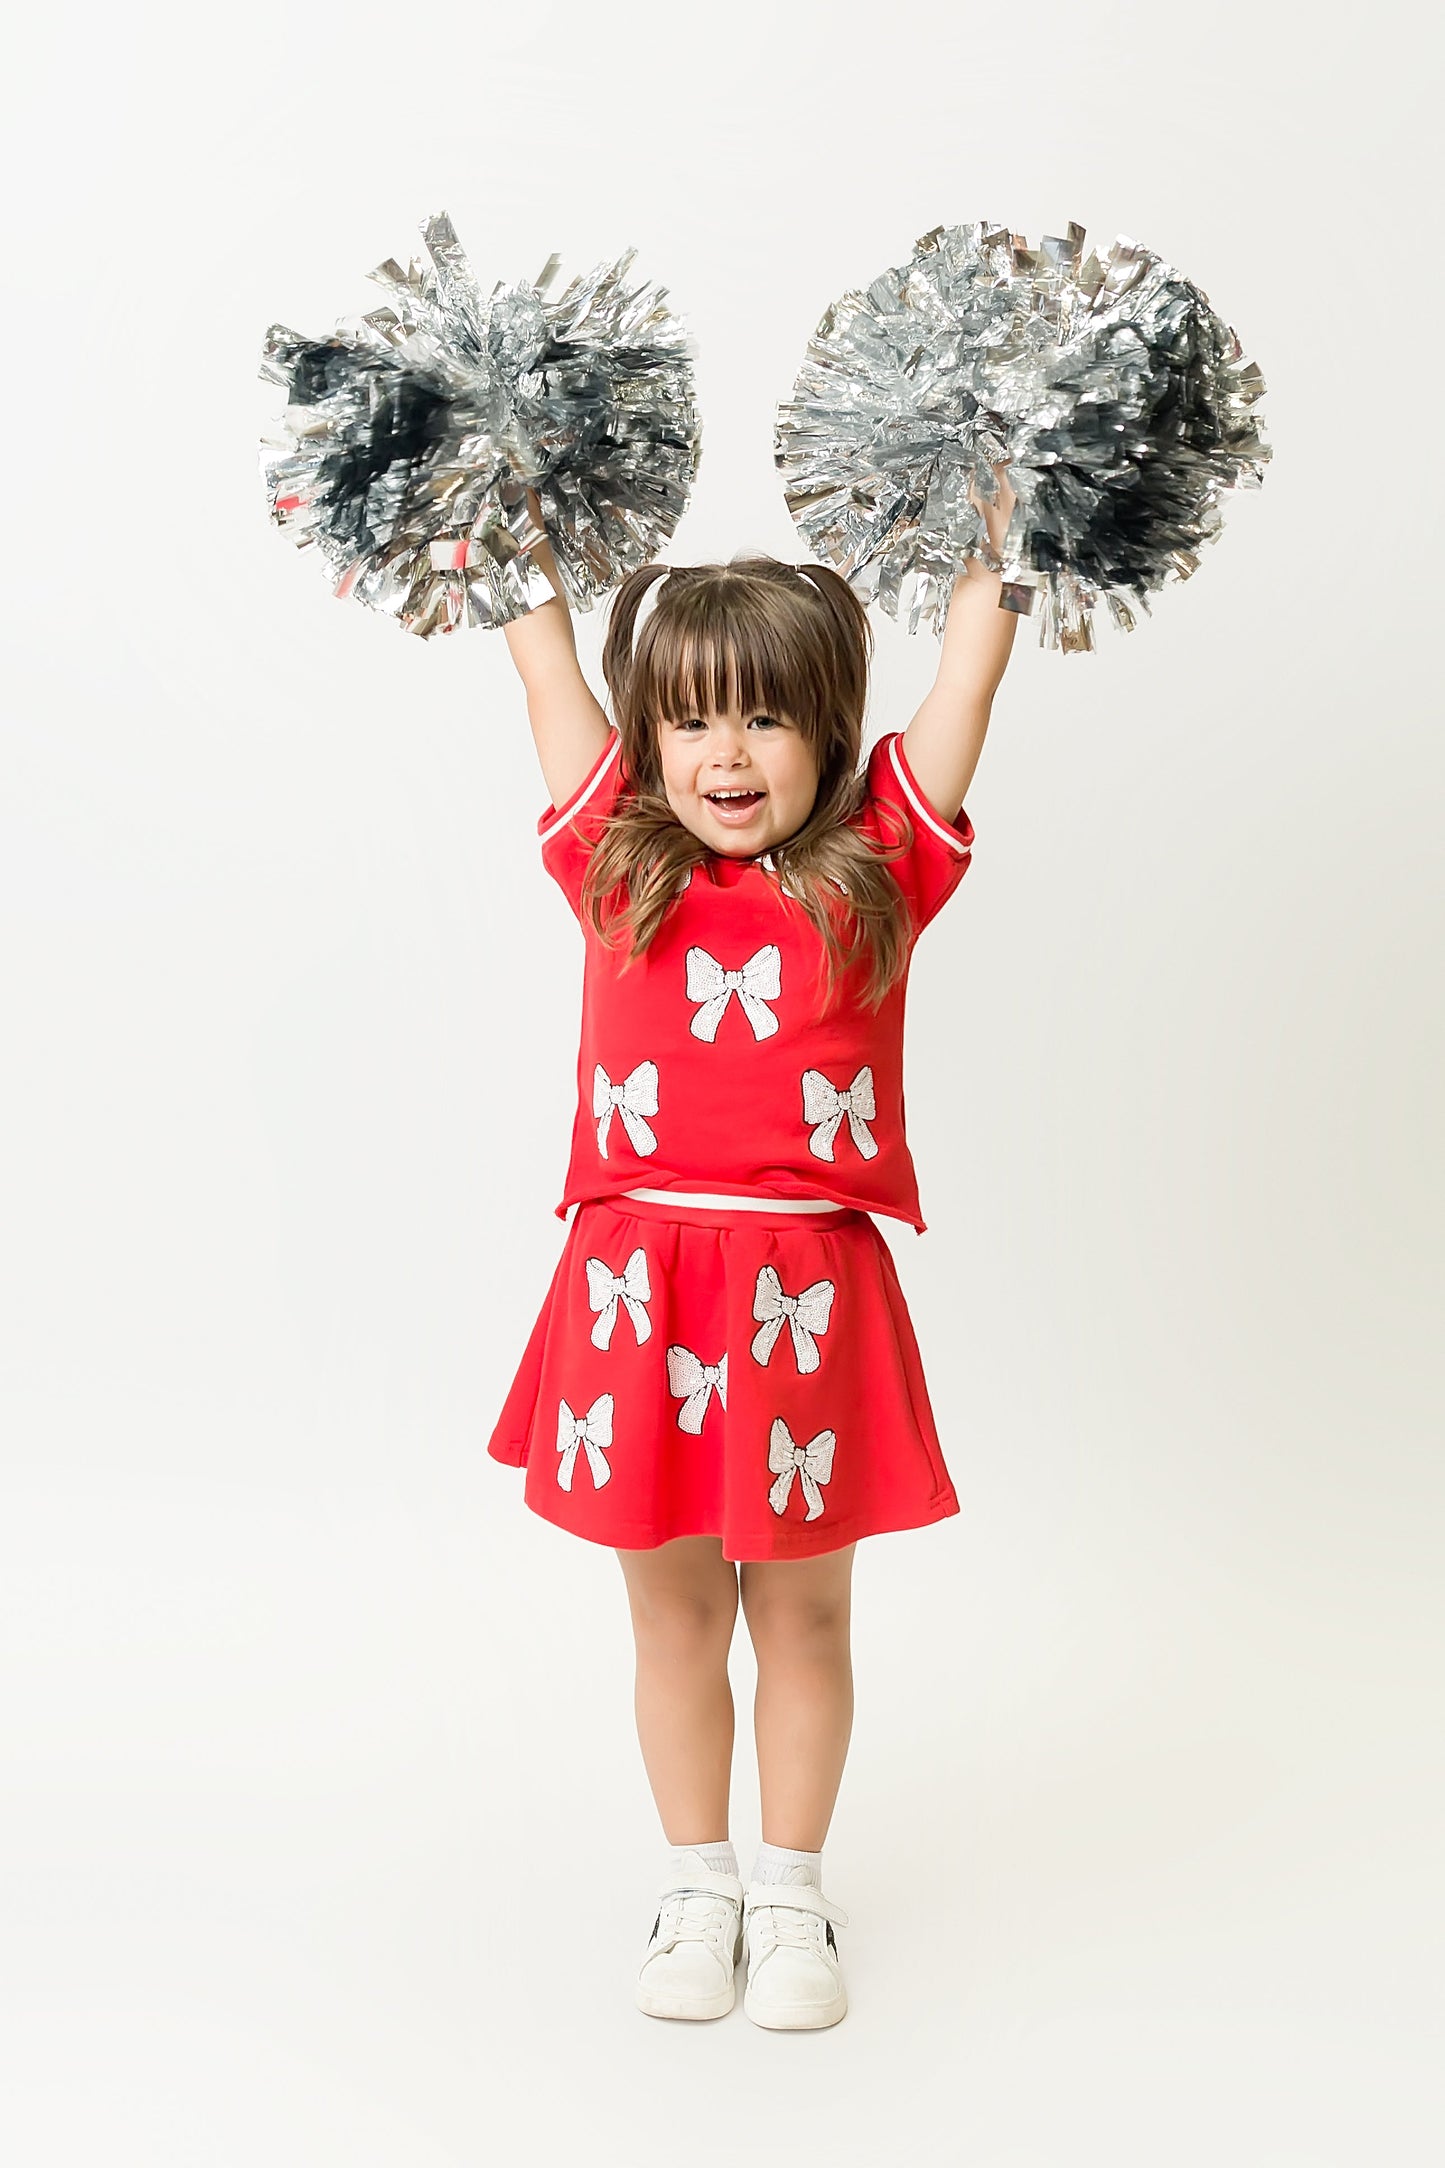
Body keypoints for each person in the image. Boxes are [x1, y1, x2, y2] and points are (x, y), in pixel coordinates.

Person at [488, 475, 1018, 2029]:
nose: (728, 756)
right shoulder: (613, 869)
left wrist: (1011, 528)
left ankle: (791, 1897)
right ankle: (694, 1889)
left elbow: (970, 672)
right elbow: (539, 661)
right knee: (671, 1617)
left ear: (828, 739)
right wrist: (497, 509)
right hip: (634, 1290)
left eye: (770, 722)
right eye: (694, 723)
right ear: (649, 740)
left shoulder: (879, 877)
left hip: (804, 1290)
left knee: (802, 1613)